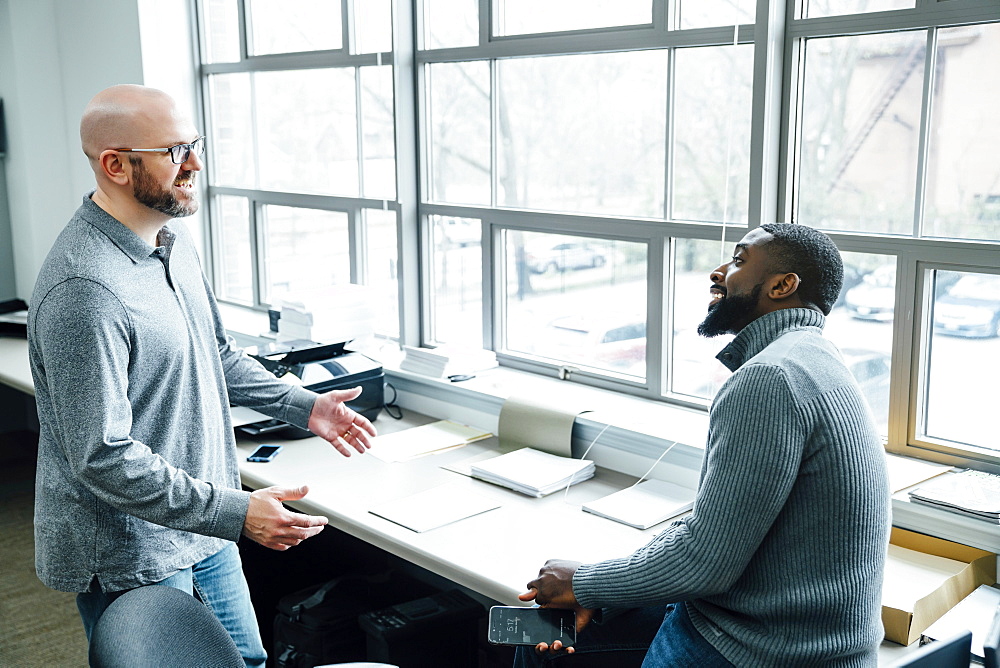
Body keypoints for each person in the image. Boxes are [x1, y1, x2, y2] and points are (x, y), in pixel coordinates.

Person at [27, 84, 378, 667]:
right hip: (129, 545)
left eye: (194, 144)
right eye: (174, 152)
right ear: (115, 165)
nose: (194, 164)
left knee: (249, 662)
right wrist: (237, 512)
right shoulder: (83, 290)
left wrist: (303, 406)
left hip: (202, 521)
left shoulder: (171, 239)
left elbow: (215, 353)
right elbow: (102, 455)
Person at [516, 223, 890, 667]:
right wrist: (605, 589)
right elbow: (712, 530)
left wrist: (585, 583)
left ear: (783, 285)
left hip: (763, 650)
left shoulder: (771, 378)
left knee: (541, 649)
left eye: (737, 260)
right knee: (552, 643)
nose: (717, 273)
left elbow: (706, 561)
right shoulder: (810, 357)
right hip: (780, 629)